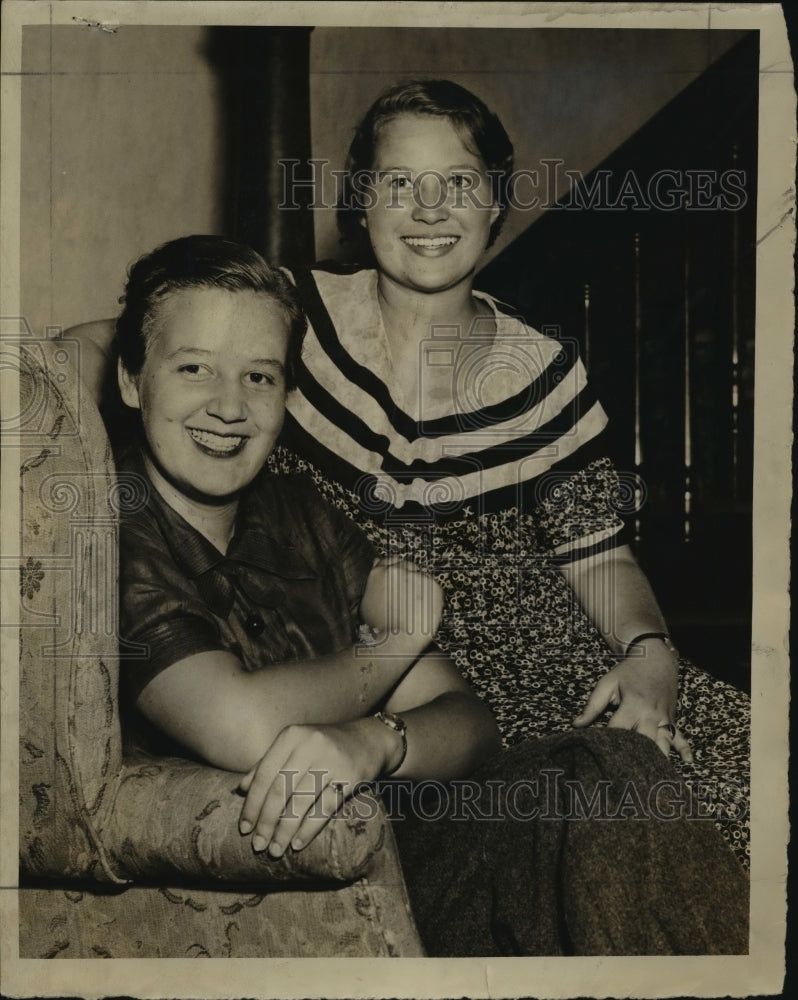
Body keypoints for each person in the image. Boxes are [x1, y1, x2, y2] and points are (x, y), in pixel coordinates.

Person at [115, 235, 748, 957]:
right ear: (133, 380)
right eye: (193, 368)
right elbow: (240, 724)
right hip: (280, 887)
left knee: (603, 769)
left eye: (259, 377)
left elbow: (471, 721)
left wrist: (375, 741)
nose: (229, 406)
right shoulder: (115, 530)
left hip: (406, 849)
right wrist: (398, 638)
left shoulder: (296, 509)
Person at [267, 78, 750, 862]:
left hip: (565, 669)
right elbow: (146, 347)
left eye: (459, 183)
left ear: (496, 207)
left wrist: (650, 655)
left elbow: (597, 552)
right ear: (358, 203)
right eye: (399, 184)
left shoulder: (543, 368)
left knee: (744, 791)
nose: (430, 209)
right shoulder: (292, 316)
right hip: (428, 690)